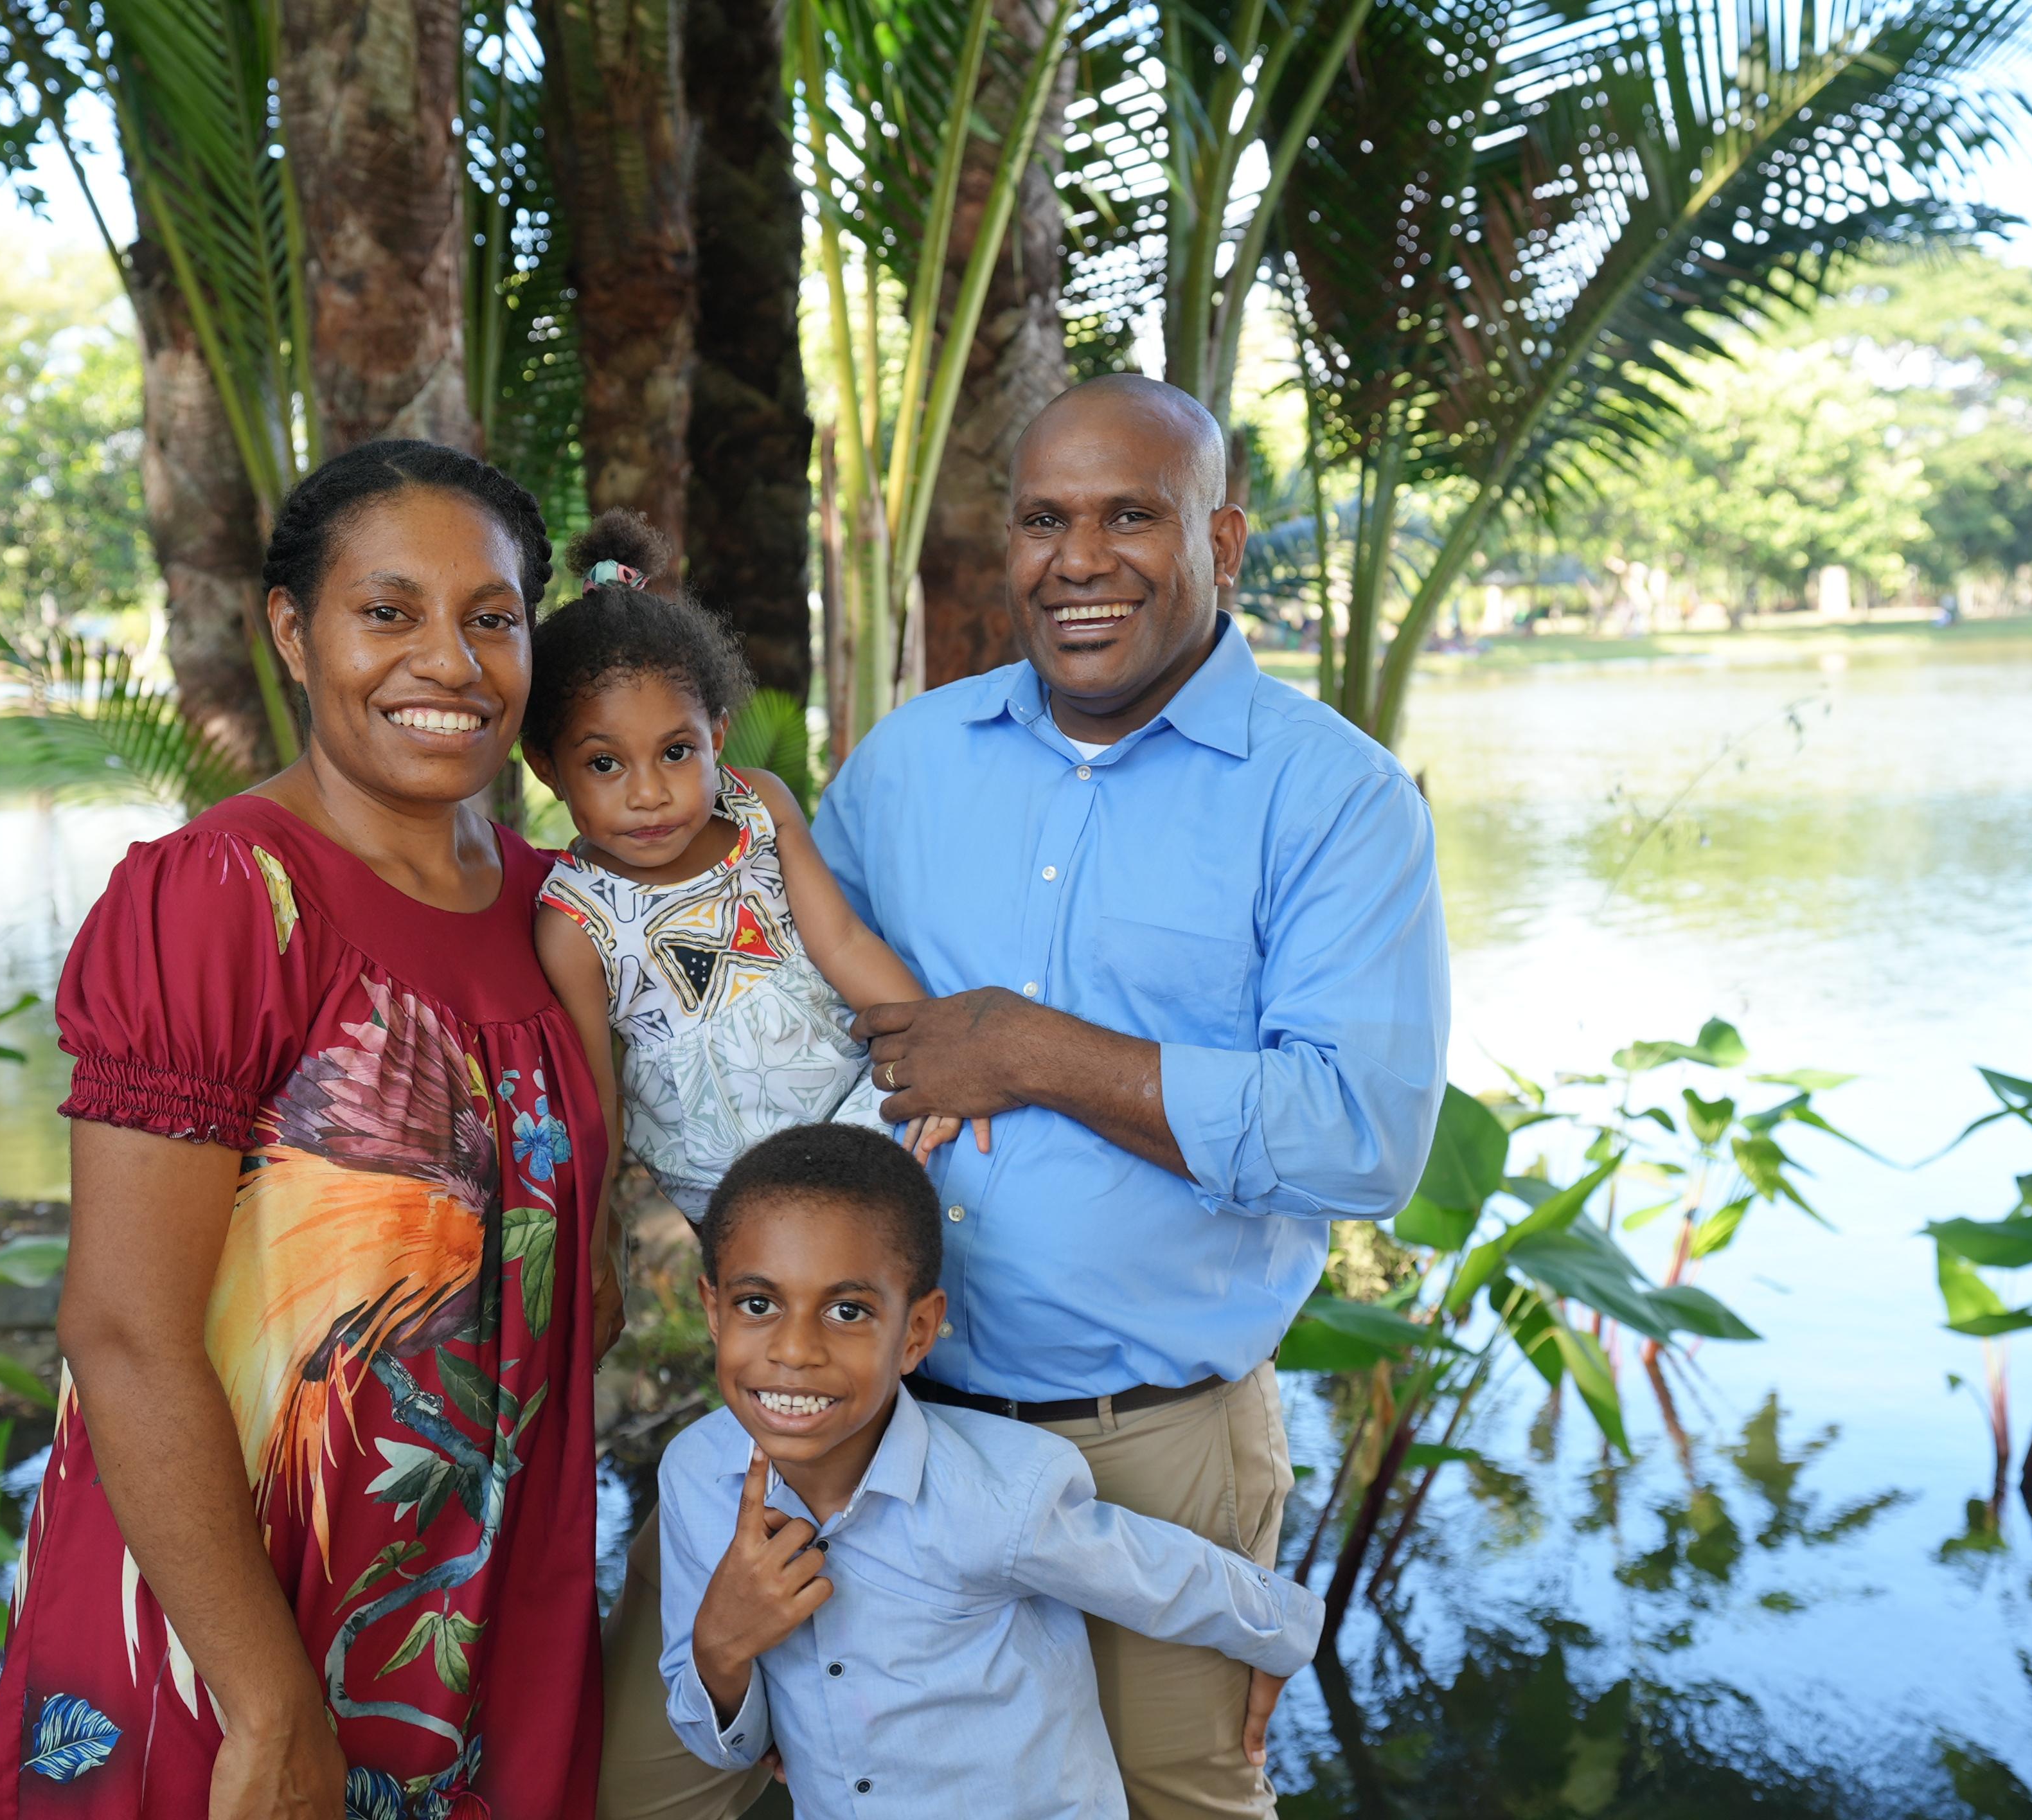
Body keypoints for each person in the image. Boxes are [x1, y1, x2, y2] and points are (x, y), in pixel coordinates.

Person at [596, 374, 1450, 1820]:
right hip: (856, 1411)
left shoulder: (1335, 799)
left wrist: (1036, 1050)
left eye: (1131, 517)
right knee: (656, 1785)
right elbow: (784, 1015)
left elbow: (1360, 1136)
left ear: (1222, 541)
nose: (1079, 559)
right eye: (1046, 520)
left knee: (1167, 1803)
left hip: (1144, 1444)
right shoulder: (908, 763)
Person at [0, 441, 615, 1820]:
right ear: (291, 631)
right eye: (388, 612)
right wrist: (267, 1703)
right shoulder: (224, 898)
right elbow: (121, 1328)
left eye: (491, 618)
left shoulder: (564, 911)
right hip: (237, 1627)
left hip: (484, 1606)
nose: (449, 661)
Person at [655, 1125, 1321, 1820]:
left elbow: (1162, 1575)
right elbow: (724, 1744)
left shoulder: (999, 1497)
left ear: (916, 1333)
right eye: (758, 1304)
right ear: (713, 1310)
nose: (794, 1350)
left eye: (847, 1311)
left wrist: (1280, 1637)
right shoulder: (696, 1478)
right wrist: (720, 1649)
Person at [526, 509, 984, 1222]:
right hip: (725, 1176)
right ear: (548, 769)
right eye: (605, 764)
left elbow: (842, 942)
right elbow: (596, 1100)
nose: (648, 794)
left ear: (717, 737)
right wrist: (595, 1240)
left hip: (853, 1098)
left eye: (676, 752)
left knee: (910, 1222)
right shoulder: (573, 922)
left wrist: (936, 1057)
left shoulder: (758, 808)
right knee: (792, 1277)